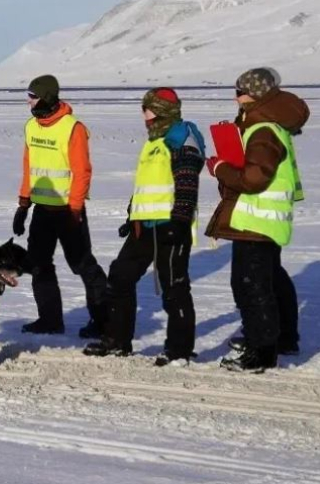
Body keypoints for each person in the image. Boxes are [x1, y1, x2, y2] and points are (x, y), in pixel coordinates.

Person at [84, 88, 204, 364]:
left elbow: (187, 182)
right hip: (144, 225)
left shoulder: (181, 137)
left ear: (160, 110)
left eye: (146, 109)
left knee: (174, 286)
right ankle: (117, 341)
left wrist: (180, 220)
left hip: (171, 225)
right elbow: (147, 186)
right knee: (120, 276)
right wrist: (132, 215)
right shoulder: (154, 140)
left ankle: (179, 350)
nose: (143, 114)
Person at [206, 67, 309, 373]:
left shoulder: (263, 129)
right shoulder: (268, 126)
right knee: (271, 279)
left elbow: (253, 178)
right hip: (264, 220)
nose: (236, 97)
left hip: (255, 220)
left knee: (250, 284)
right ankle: (281, 338)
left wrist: (221, 168)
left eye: (240, 92)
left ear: (255, 95)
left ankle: (262, 350)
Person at [12, 74, 108, 336]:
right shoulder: (31, 127)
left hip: (68, 211)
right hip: (42, 211)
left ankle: (103, 320)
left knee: (82, 265)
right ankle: (50, 320)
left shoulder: (72, 128)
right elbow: (29, 167)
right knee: (39, 264)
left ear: (46, 98)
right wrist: (23, 205)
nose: (28, 103)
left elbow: (82, 172)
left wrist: (75, 211)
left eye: (32, 98)